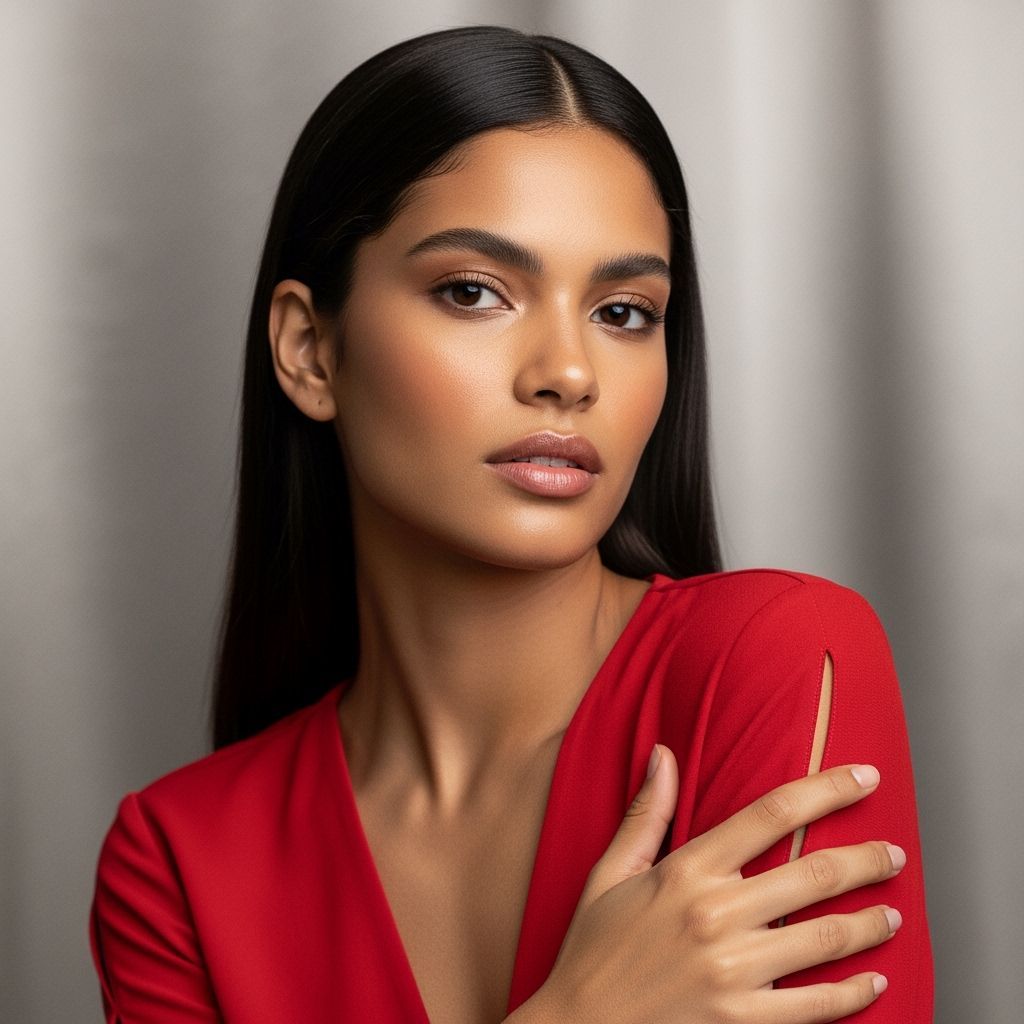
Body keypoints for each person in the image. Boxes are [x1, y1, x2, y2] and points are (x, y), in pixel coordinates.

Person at [89, 25, 933, 1023]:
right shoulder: (175, 861)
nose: (568, 372)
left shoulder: (773, 660)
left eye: (624, 311)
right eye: (474, 291)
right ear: (311, 351)